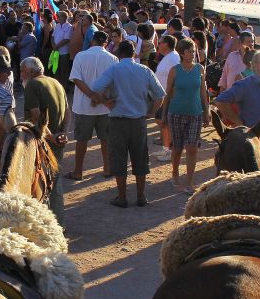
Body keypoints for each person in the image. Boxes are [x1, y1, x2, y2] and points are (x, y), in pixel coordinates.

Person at [90, 41, 166, 208]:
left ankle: (122, 196)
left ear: (119, 53)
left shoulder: (114, 69)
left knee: (118, 158)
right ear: (134, 54)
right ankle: (141, 196)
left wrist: (105, 101)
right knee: (140, 158)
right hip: (139, 121)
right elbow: (160, 95)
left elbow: (96, 87)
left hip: (118, 121)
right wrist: (152, 112)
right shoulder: (144, 70)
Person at [215, 50, 260, 169]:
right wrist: (239, 123)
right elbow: (220, 100)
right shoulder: (245, 85)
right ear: (255, 65)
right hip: (250, 146)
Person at [21, 57, 69, 223]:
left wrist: (50, 137)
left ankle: (47, 224)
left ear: (29, 72)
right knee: (55, 182)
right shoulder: (56, 82)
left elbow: (35, 116)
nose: (21, 75)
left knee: (41, 183)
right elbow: (68, 112)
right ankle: (59, 222)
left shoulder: (32, 85)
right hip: (57, 140)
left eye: (22, 71)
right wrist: (61, 134)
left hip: (42, 142)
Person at [66, 31, 118, 180]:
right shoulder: (113, 58)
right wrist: (100, 99)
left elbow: (76, 79)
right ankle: (107, 169)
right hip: (105, 107)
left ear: (92, 41)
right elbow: (113, 83)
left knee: (82, 140)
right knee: (106, 139)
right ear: (106, 44)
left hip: (84, 106)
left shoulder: (81, 56)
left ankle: (78, 171)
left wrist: (92, 96)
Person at [161, 39, 210, 192]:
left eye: (194, 50)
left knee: (192, 147)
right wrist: (163, 114)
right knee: (177, 147)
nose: (192, 53)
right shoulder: (175, 70)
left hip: (195, 113)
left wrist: (206, 111)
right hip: (175, 113)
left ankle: (189, 181)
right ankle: (175, 173)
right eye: (189, 51)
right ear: (182, 53)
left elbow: (203, 92)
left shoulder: (200, 69)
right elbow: (168, 94)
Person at [51, 10, 74, 86]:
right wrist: (54, 46)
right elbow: (53, 36)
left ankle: (64, 87)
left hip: (64, 52)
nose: (57, 17)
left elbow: (67, 39)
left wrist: (56, 46)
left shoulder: (69, 27)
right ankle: (57, 86)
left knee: (63, 70)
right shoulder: (57, 25)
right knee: (56, 69)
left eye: (59, 16)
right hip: (55, 52)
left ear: (64, 17)